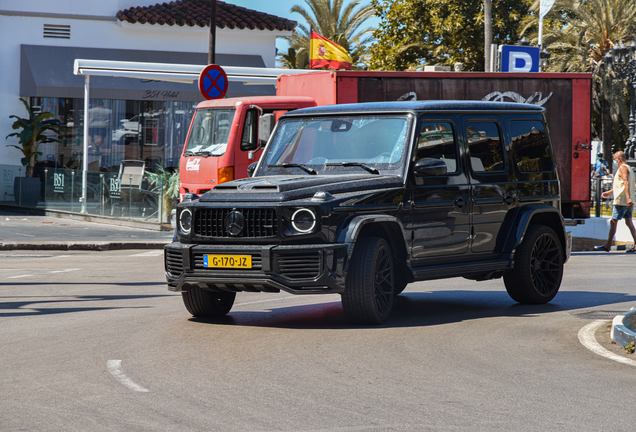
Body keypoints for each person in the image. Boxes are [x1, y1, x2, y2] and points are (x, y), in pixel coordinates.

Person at [594, 151, 636, 253]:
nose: (614, 161)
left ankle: (607, 245)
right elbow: (621, 185)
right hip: (626, 201)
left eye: (615, 159)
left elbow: (626, 182)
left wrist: (627, 197)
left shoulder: (622, 168)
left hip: (621, 201)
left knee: (613, 221)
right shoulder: (629, 168)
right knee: (629, 222)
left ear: (619, 159)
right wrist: (609, 192)